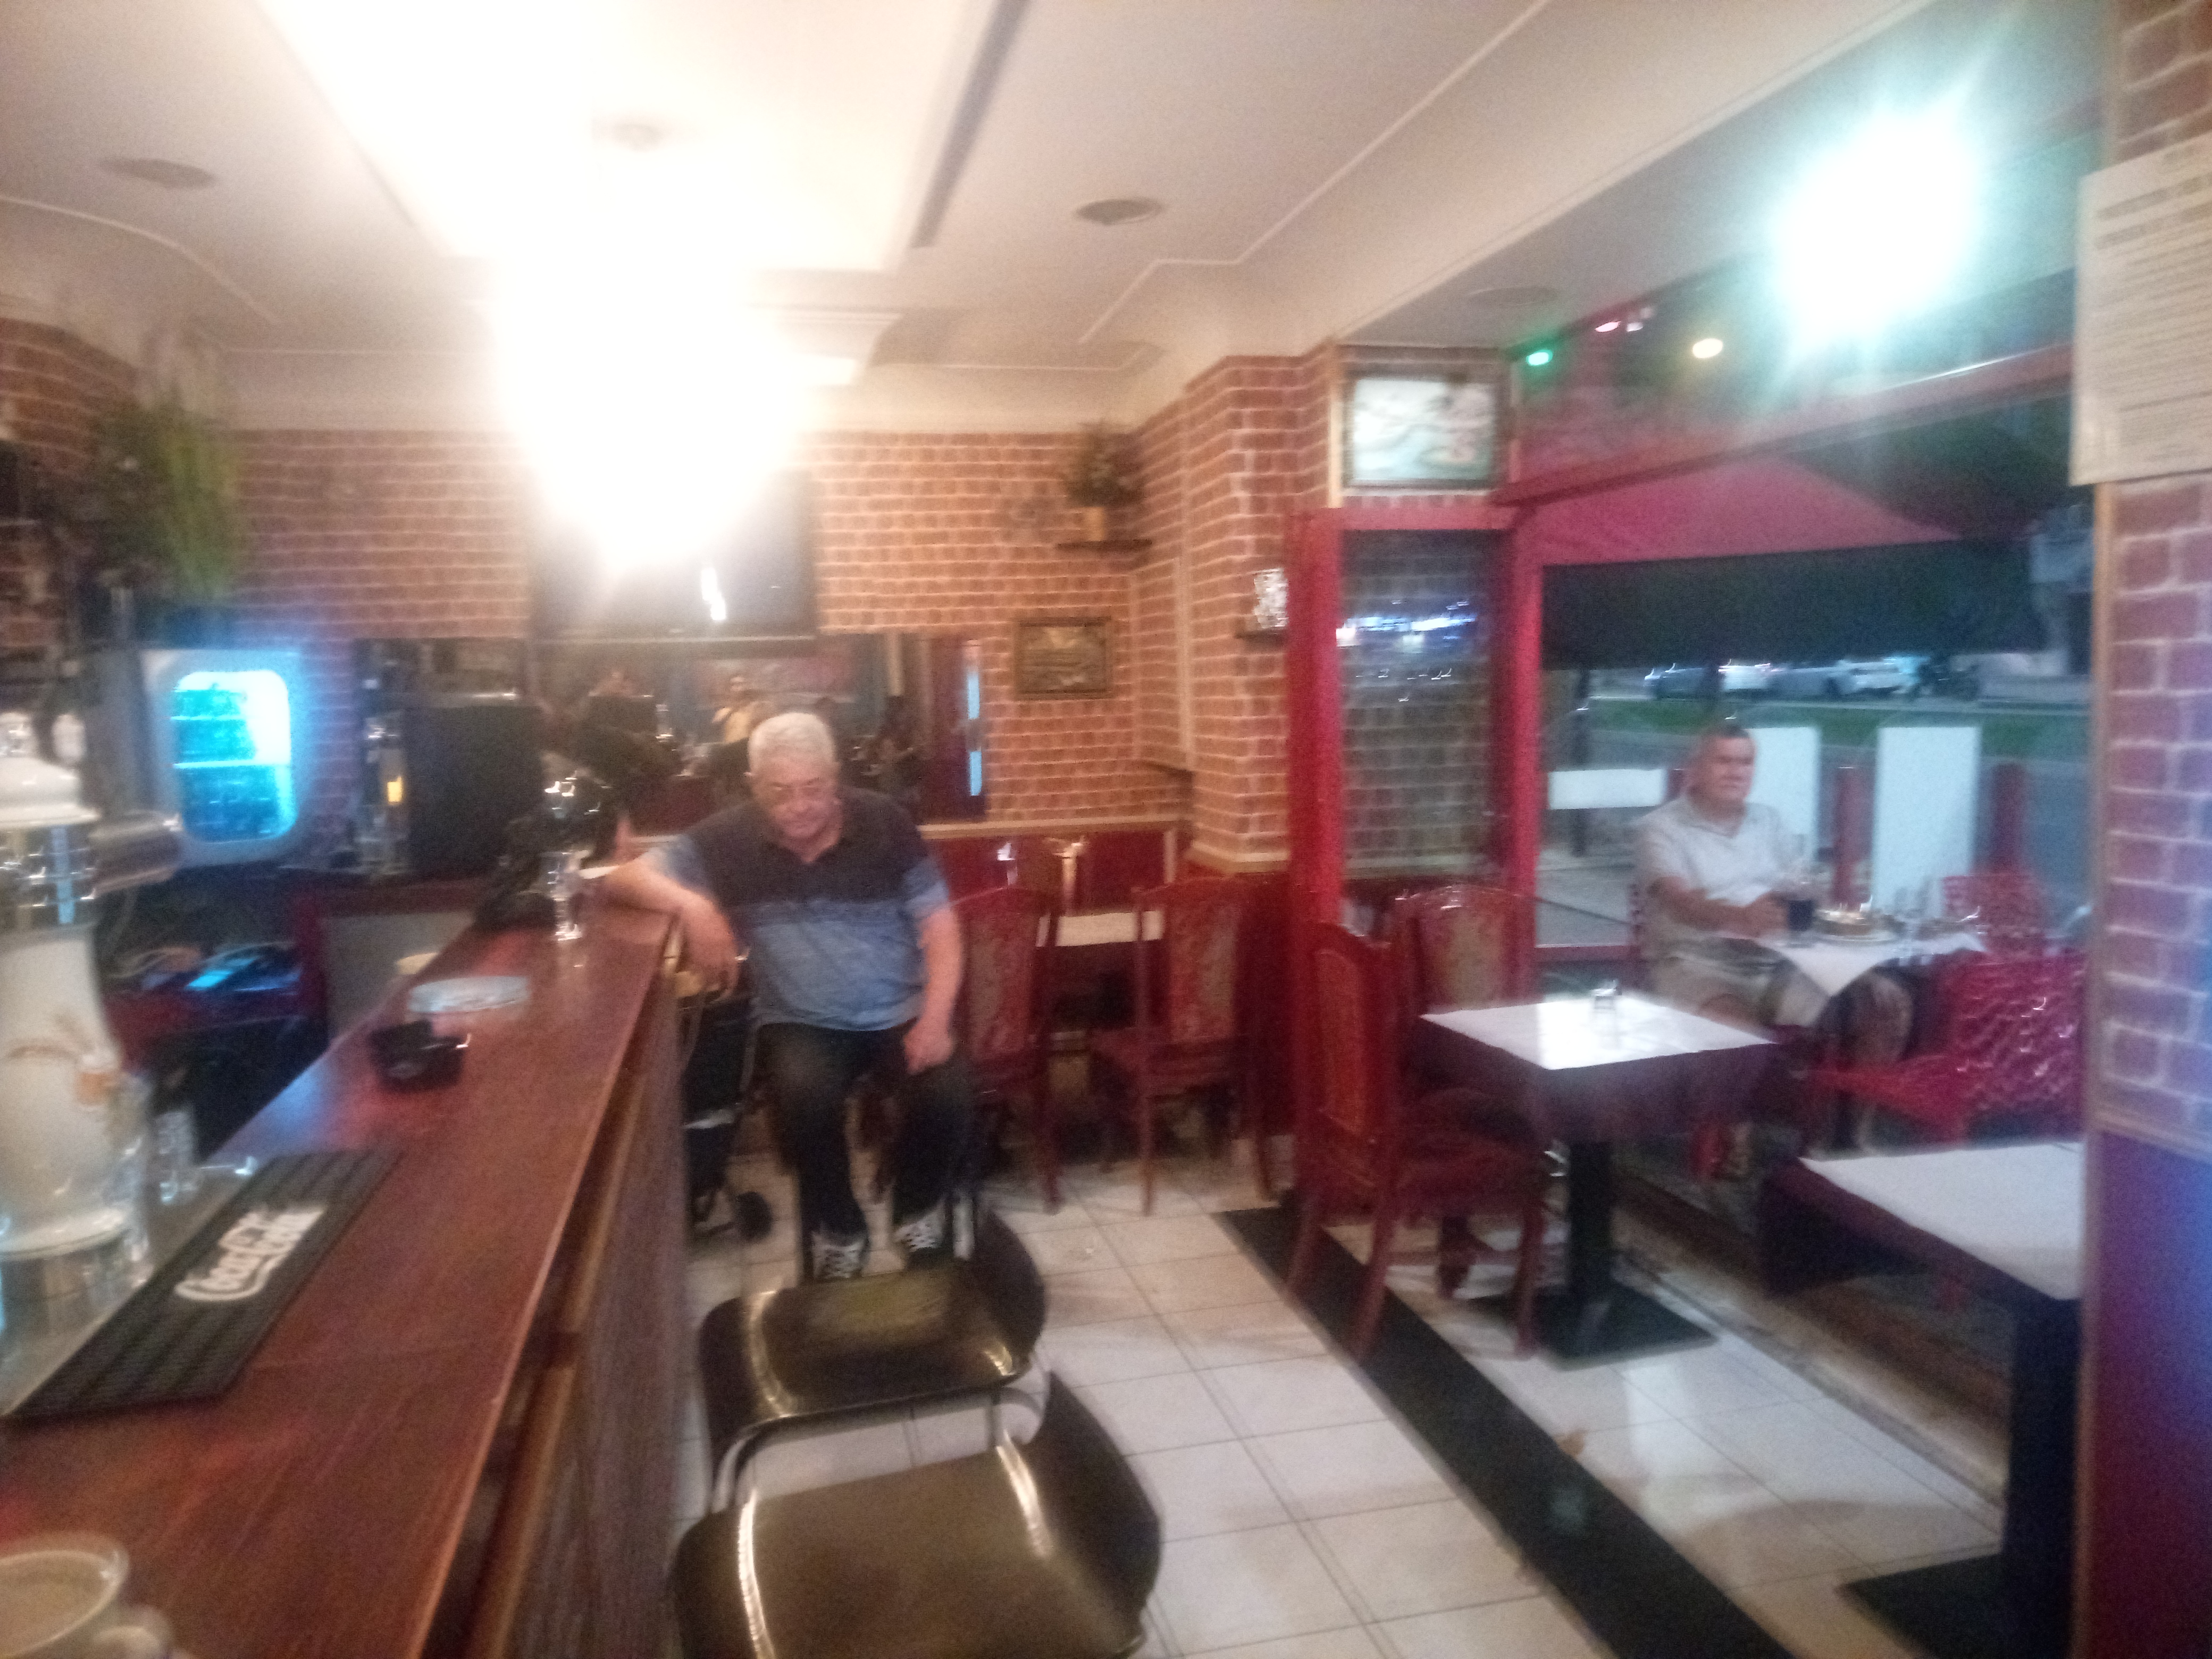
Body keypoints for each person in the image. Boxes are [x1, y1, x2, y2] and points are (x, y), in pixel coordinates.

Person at [602, 710, 970, 1278]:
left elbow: (941, 927)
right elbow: (618, 878)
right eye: (780, 792)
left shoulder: (885, 822)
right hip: (802, 1019)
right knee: (802, 1102)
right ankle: (839, 1229)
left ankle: (917, 1209)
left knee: (948, 1095)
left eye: (814, 788)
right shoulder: (727, 838)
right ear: (754, 786)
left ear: (836, 777)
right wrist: (693, 905)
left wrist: (936, 1019)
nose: (800, 806)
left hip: (900, 1009)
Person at [1635, 722, 1910, 1152]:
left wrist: (1819, 905)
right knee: (1740, 1033)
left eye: (1745, 762)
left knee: (1886, 1003)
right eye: (1724, 761)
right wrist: (1740, 917)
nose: (1736, 772)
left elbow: (1805, 887)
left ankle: (1848, 1137)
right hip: (1696, 964)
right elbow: (1679, 902)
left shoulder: (1770, 821)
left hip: (1775, 963)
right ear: (1695, 767)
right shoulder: (1660, 828)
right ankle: (1730, 1144)